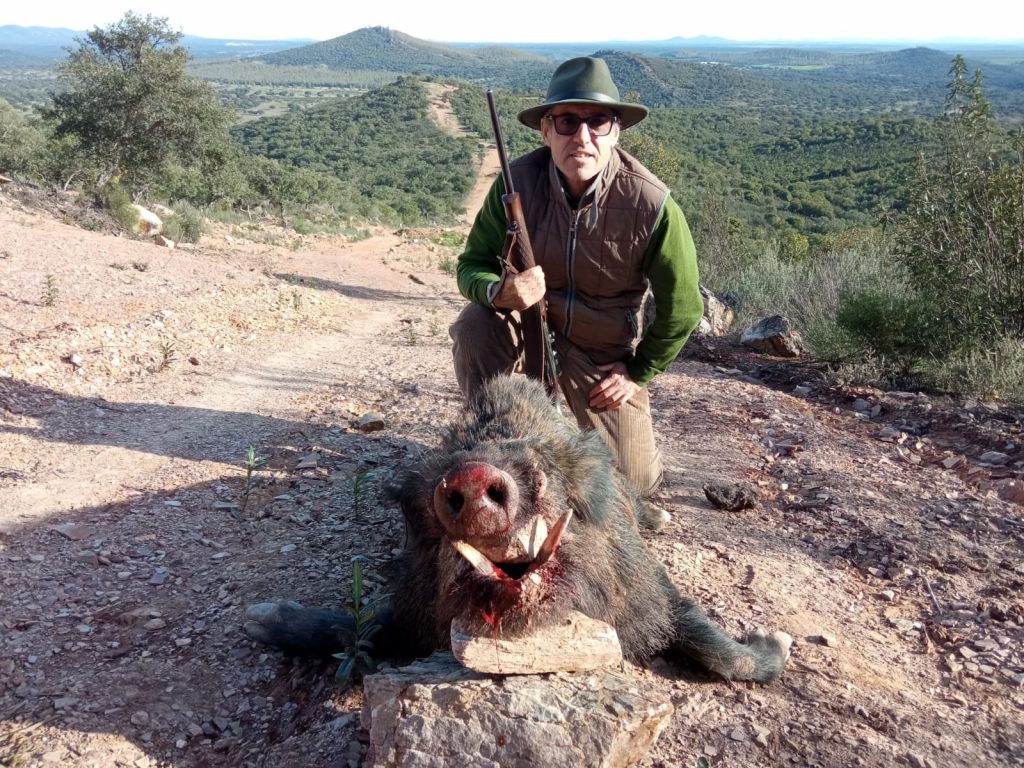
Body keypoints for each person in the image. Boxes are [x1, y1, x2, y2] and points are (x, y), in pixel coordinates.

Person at [450, 56, 703, 503]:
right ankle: (487, 433)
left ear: (615, 131)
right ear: (546, 130)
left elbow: (683, 309)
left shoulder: (652, 205)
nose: (581, 138)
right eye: (567, 122)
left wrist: (638, 371)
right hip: (525, 329)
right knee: (475, 324)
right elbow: (472, 265)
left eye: (597, 122)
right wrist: (498, 291)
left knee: (632, 485)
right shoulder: (516, 184)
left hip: (600, 351)